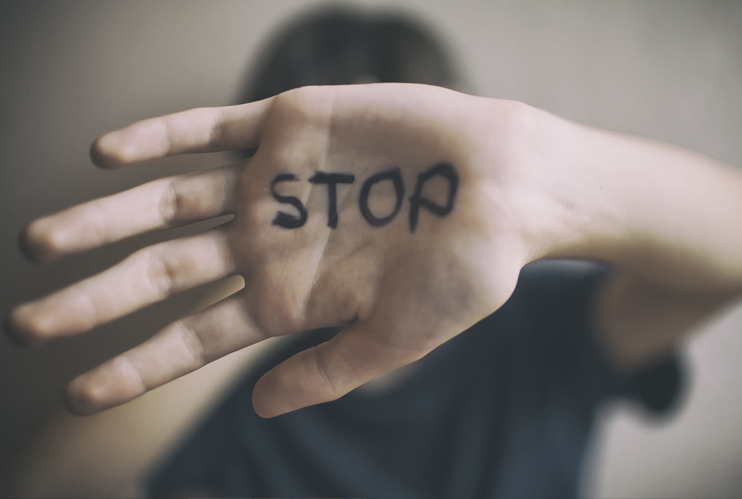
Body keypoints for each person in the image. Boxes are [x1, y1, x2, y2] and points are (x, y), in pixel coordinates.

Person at [6, 7, 742, 499]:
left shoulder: (542, 328)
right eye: (329, 185)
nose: (373, 225)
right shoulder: (245, 399)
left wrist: (538, 173)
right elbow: (63, 484)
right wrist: (248, 277)